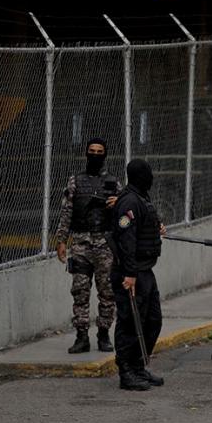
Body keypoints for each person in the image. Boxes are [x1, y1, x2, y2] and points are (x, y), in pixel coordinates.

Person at [56, 137, 121, 354]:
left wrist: (117, 204)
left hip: (104, 243)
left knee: (107, 291)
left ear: (105, 154)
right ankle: (81, 336)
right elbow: (66, 212)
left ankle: (103, 334)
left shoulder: (113, 182)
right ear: (86, 153)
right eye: (91, 151)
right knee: (80, 291)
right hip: (81, 244)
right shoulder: (75, 181)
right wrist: (61, 241)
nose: (95, 154)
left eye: (99, 151)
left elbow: (124, 214)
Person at [110, 158, 166, 391]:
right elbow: (126, 240)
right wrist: (130, 274)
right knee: (130, 323)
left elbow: (144, 226)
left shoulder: (142, 197)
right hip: (130, 273)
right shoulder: (129, 201)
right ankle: (127, 372)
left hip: (145, 270)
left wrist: (157, 227)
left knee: (152, 320)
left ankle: (138, 366)